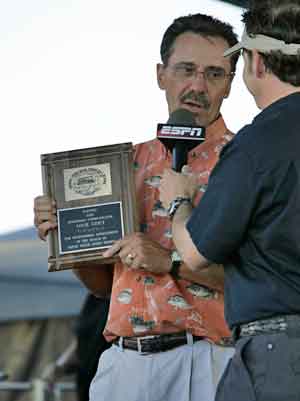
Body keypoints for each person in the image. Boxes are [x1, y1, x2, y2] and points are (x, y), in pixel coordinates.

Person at [34, 13, 240, 401]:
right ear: (161, 74)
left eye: (214, 74)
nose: (198, 85)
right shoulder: (124, 164)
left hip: (211, 359)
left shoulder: (246, 159)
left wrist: (171, 260)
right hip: (125, 362)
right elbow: (102, 287)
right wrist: (69, 237)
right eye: (186, 69)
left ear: (230, 84)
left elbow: (265, 277)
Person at [158, 2, 300, 401]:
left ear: (254, 62)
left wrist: (177, 203)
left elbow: (196, 252)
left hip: (279, 351)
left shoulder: (258, 143)